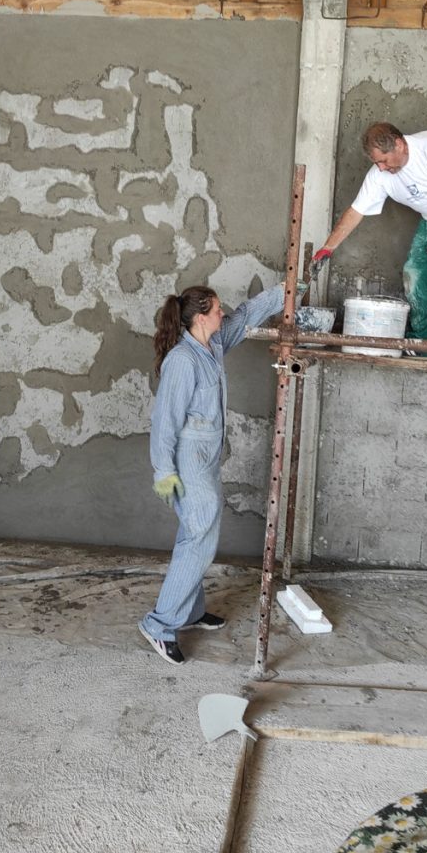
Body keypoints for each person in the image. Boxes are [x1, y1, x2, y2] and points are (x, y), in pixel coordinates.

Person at [139, 281, 287, 665]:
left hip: (205, 457)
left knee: (199, 534)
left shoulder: (213, 346)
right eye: (218, 309)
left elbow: (249, 314)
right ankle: (159, 625)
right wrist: (164, 470)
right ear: (201, 317)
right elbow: (164, 420)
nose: (225, 313)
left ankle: (188, 613)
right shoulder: (183, 360)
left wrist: (289, 289)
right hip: (187, 459)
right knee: (199, 537)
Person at [310, 122, 427, 363]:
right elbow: (356, 212)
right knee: (415, 277)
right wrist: (327, 248)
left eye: (384, 160)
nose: (381, 168)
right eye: (376, 163)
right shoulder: (380, 175)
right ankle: (421, 343)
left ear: (399, 144)